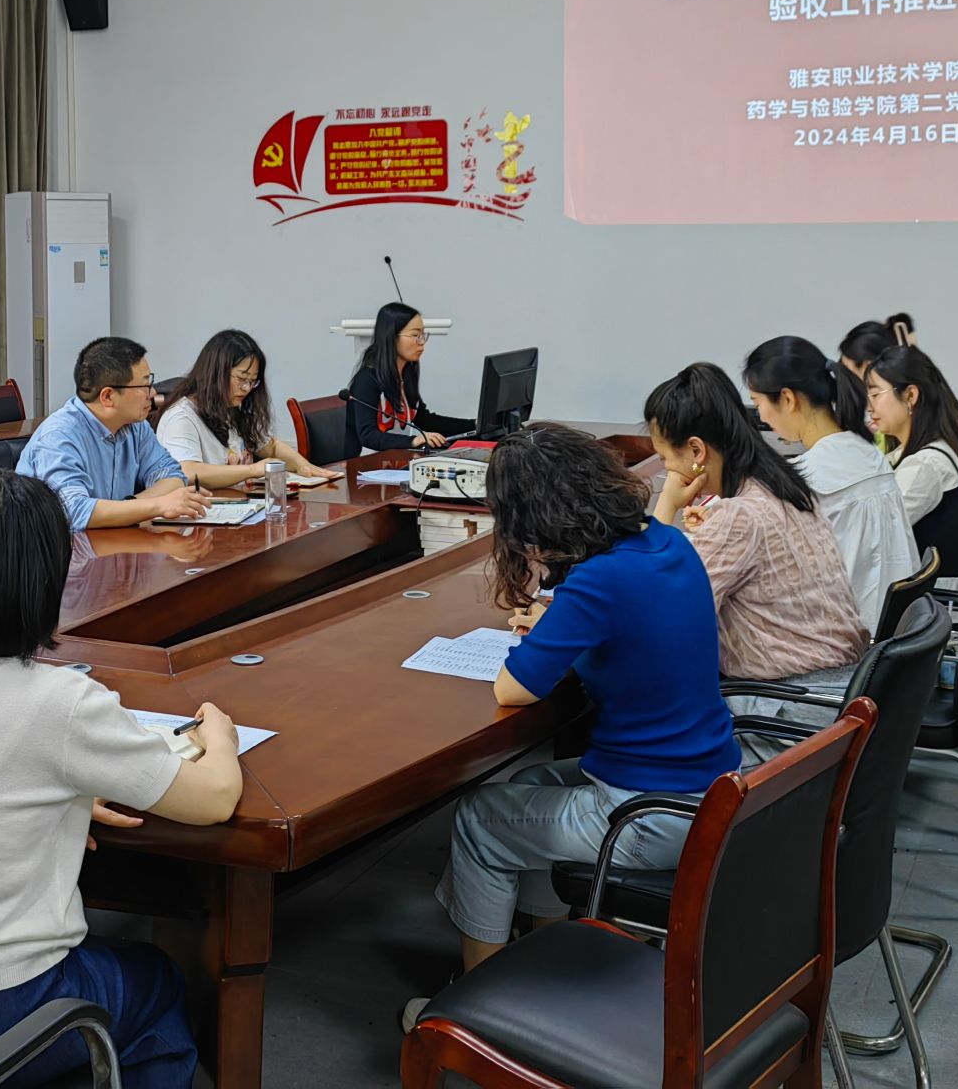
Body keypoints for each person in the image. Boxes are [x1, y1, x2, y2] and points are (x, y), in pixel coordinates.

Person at [0, 469, 242, 1089]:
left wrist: (66, 793)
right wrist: (221, 737)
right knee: (157, 980)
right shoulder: (61, 702)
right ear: (45, 581)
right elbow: (214, 799)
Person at [405, 425, 739, 1025]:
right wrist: (562, 625)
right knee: (525, 790)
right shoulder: (666, 542)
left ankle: (474, 1014)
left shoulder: (597, 581)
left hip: (649, 812)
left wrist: (552, 627)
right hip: (708, 787)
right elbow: (629, 629)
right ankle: (543, 959)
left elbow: (513, 687)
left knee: (480, 820)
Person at [645, 363, 870, 690]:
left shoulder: (739, 517)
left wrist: (666, 505)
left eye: (665, 458)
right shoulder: (784, 487)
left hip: (786, 699)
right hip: (838, 684)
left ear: (696, 450)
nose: (667, 469)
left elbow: (662, 616)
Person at [742, 336, 918, 632]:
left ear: (787, 399)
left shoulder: (805, 480)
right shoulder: (869, 455)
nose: (761, 416)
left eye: (758, 403)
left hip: (838, 643)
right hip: (889, 636)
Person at [17, 337, 252, 531]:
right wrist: (157, 505)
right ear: (108, 397)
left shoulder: (134, 426)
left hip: (112, 546)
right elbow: (74, 512)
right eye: (144, 385)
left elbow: (172, 476)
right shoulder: (59, 436)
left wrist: (129, 506)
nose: (153, 393)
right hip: (60, 561)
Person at [864, 345, 958, 550]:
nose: (869, 408)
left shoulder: (927, 465)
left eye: (875, 395)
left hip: (956, 565)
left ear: (910, 395)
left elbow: (872, 534)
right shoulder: (948, 437)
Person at [155, 329, 342, 480]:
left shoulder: (232, 408)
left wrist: (304, 466)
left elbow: (271, 446)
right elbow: (187, 471)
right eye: (241, 378)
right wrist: (252, 470)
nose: (246, 388)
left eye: (253, 381)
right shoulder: (182, 418)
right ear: (216, 373)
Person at [346, 301, 472, 452]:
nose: (422, 342)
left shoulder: (405, 374)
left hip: (397, 459)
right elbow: (368, 435)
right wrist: (413, 441)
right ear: (392, 336)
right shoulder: (367, 380)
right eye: (415, 335)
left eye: (423, 335)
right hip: (367, 463)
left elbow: (424, 420)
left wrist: (474, 425)